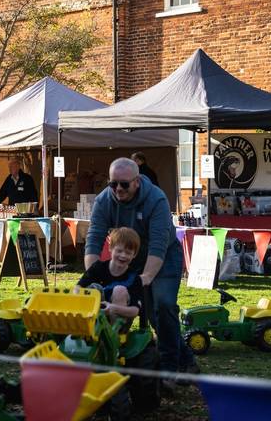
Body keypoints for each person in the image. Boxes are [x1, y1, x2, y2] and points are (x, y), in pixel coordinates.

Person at [84, 158, 197, 385]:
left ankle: (168, 370)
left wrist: (144, 279)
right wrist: (94, 280)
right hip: (131, 258)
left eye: (123, 184)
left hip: (163, 257)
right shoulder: (104, 201)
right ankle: (187, 361)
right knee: (154, 317)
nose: (117, 189)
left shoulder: (156, 200)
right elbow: (94, 239)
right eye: (112, 183)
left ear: (136, 182)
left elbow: (158, 244)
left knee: (162, 305)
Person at [77, 227, 143, 323]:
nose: (123, 255)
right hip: (94, 316)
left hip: (118, 320)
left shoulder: (134, 277)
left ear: (134, 255)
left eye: (128, 253)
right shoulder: (98, 267)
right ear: (110, 248)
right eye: (119, 251)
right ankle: (86, 323)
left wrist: (113, 308)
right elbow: (78, 287)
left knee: (119, 290)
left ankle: (113, 332)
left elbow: (135, 310)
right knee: (94, 287)